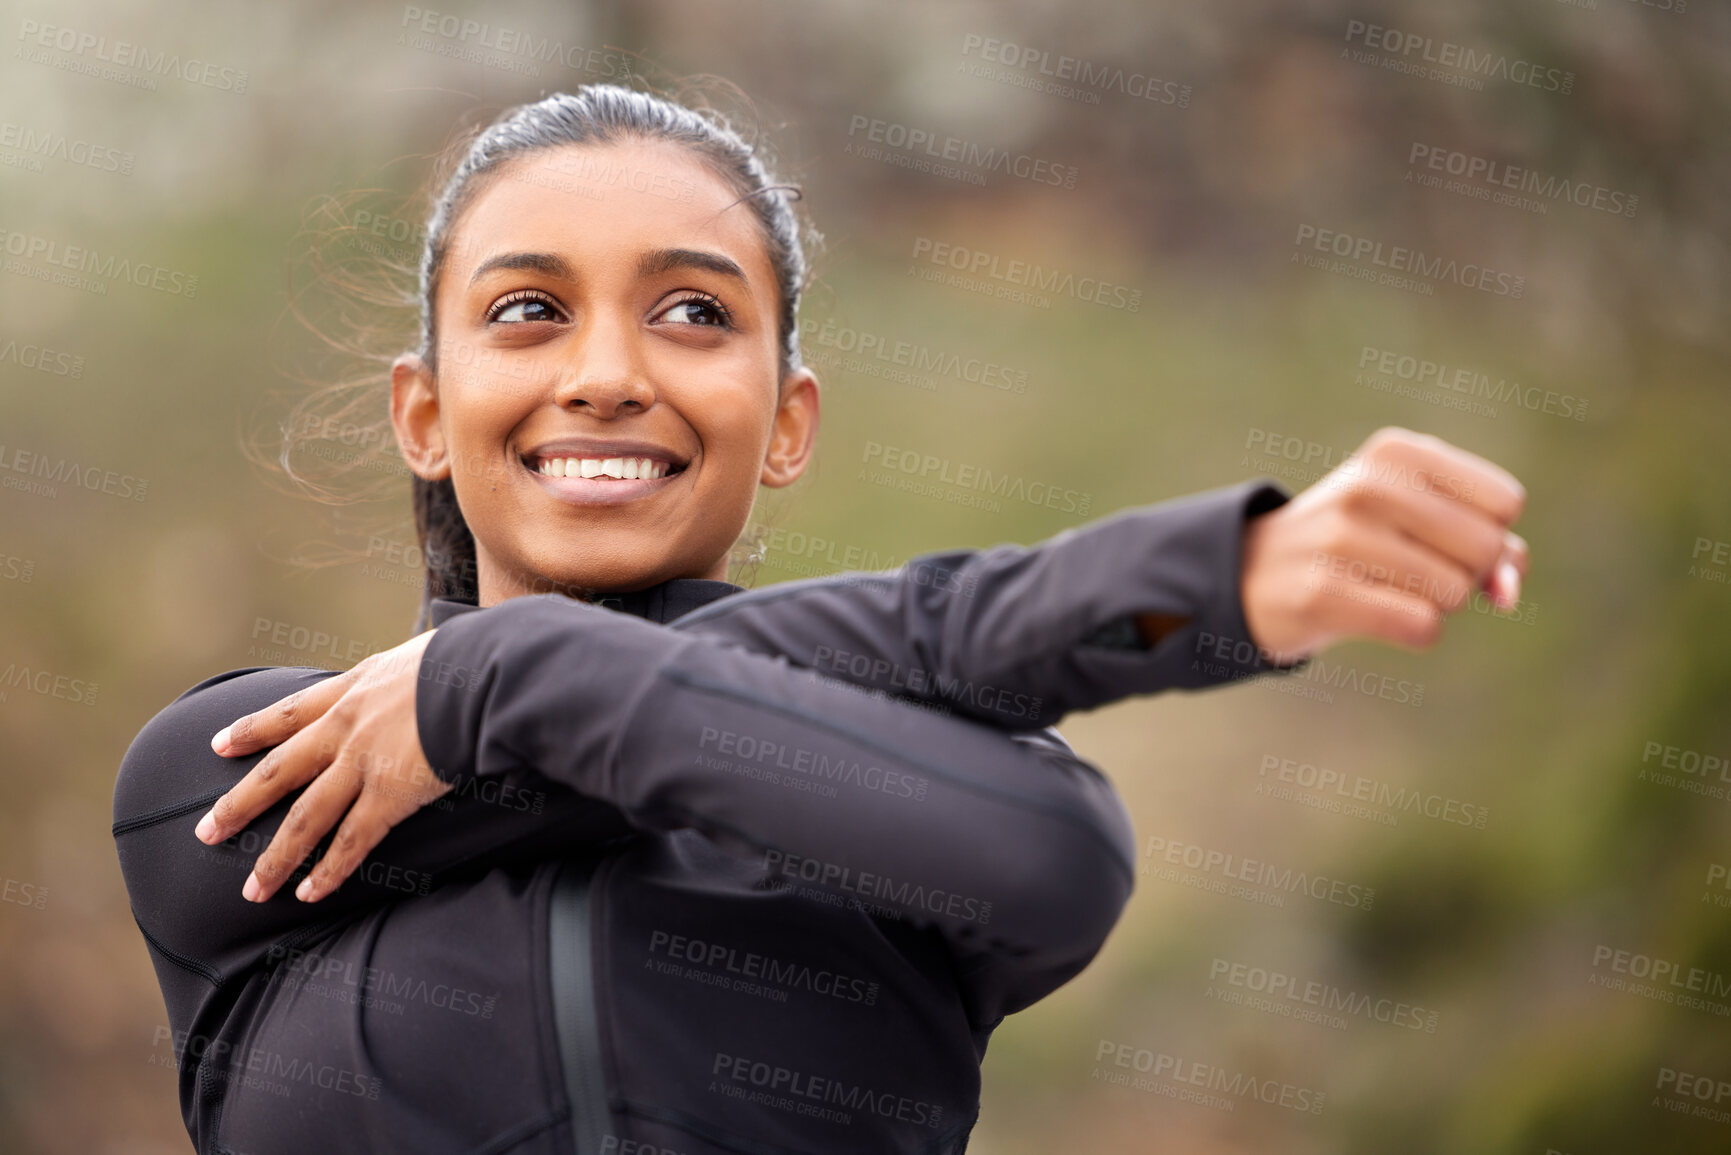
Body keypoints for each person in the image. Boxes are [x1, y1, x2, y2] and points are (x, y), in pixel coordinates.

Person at [112, 84, 1529, 1155]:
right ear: (424, 411)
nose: (606, 372)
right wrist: (1181, 591)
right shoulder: (242, 774)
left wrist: (504, 669)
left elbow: (1056, 855)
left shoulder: (898, 812)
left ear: (787, 423)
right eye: (531, 309)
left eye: (691, 312)